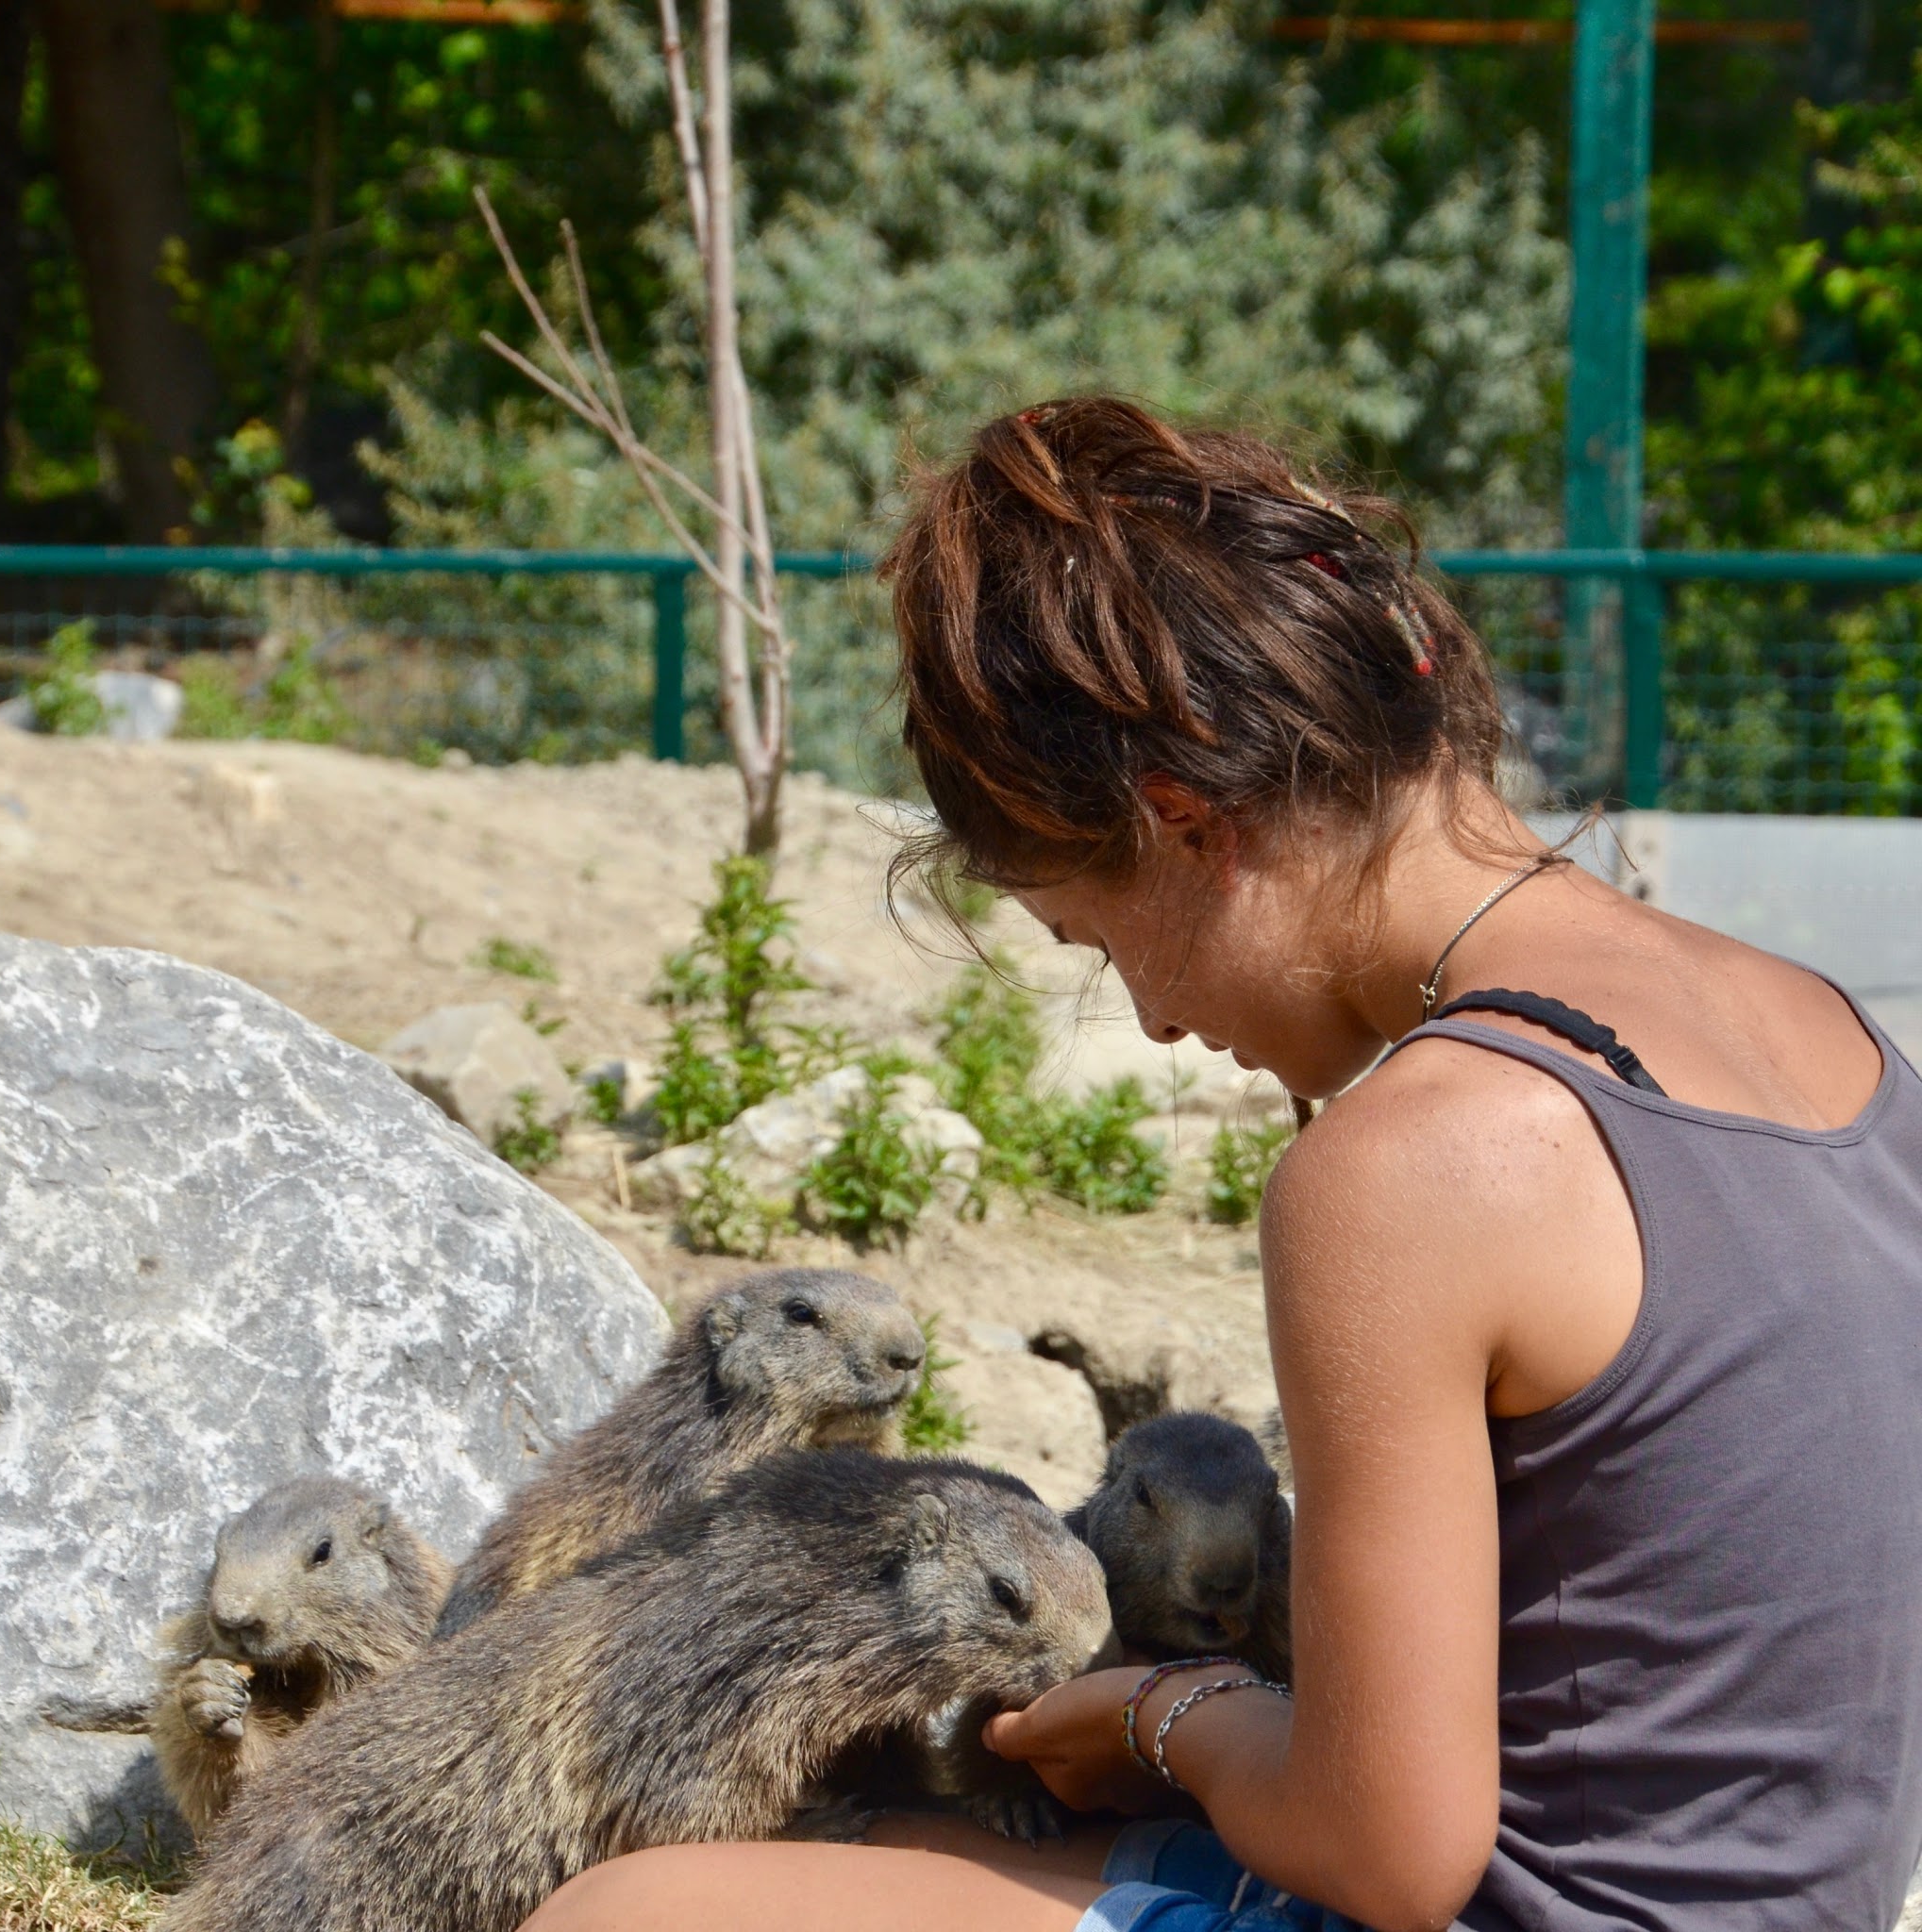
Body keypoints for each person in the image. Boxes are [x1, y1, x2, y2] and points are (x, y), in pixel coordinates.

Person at [526, 397, 1922, 1932]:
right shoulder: (1830, 1031)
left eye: (1097, 937)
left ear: (1187, 823)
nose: (1155, 1015)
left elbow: (1391, 1853)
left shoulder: (1417, 1162)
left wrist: (1147, 1716)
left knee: (624, 1918)